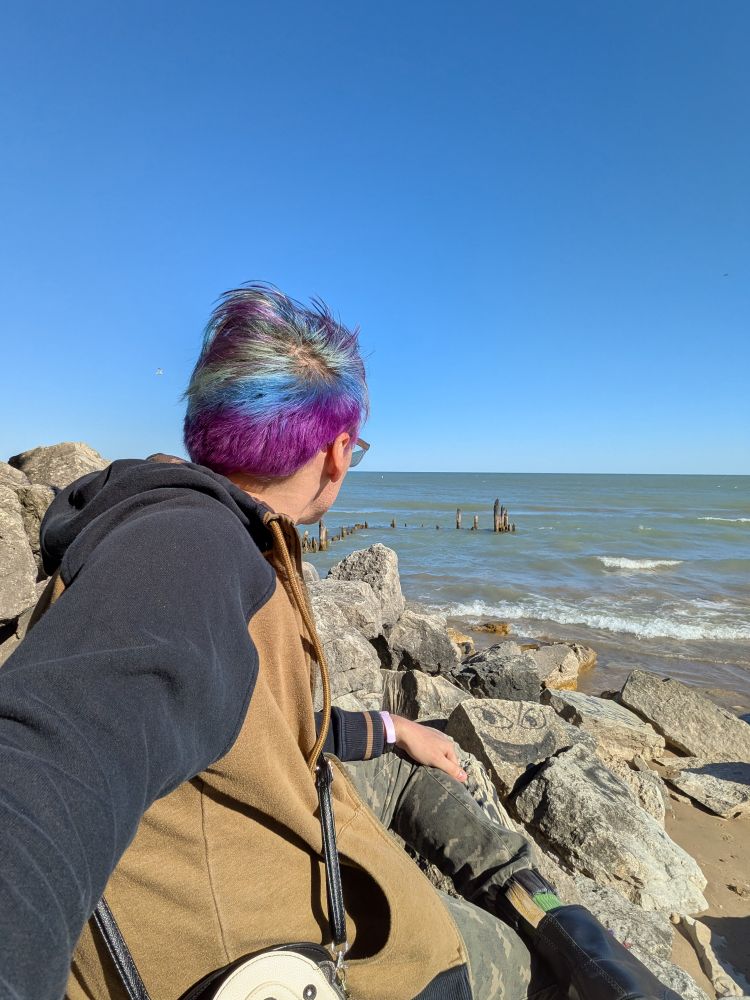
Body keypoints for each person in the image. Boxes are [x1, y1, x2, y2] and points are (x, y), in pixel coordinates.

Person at [0, 284, 679, 1000]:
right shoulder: (187, 546)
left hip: (276, 823)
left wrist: (390, 727)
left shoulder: (218, 528)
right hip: (271, 947)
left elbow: (262, 719)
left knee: (413, 763)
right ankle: (563, 941)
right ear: (336, 453)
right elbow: (44, 767)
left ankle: (531, 896)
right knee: (521, 963)